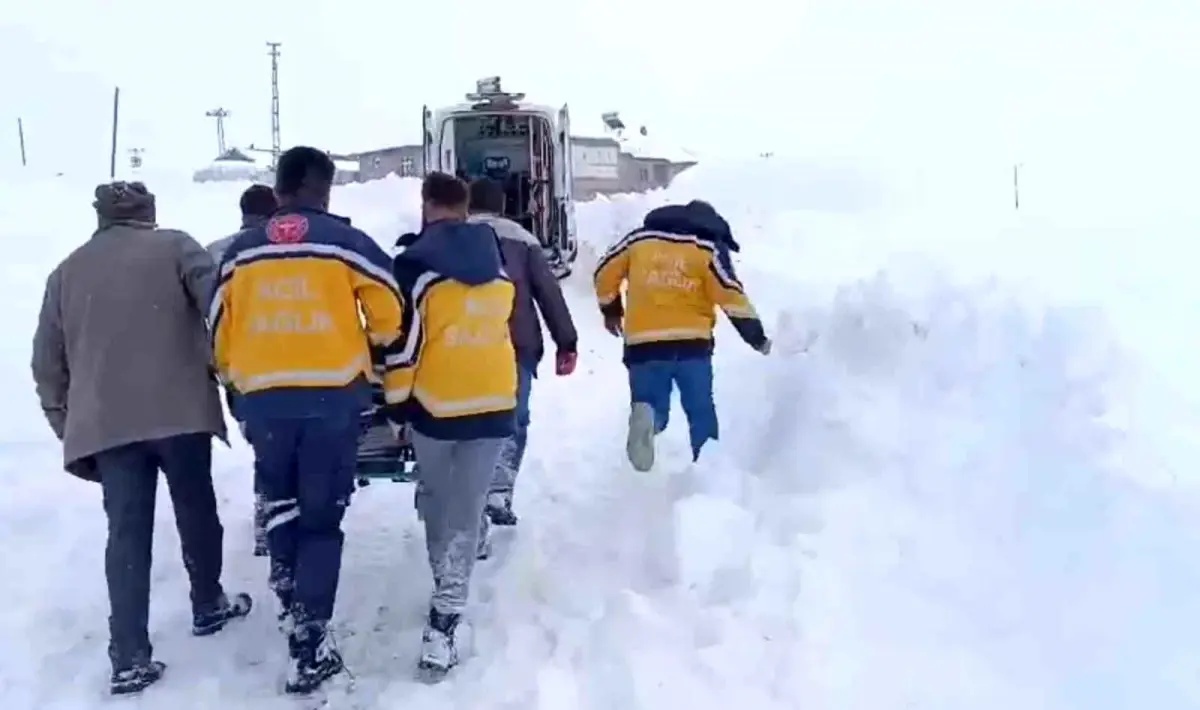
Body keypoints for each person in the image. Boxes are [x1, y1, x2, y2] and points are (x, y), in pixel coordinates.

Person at [31, 181, 253, 696]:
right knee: (196, 509)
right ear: (149, 212)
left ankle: (129, 654)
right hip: (181, 413)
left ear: (101, 217)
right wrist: (235, 376)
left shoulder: (65, 273)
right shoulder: (176, 246)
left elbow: (47, 363)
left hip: (109, 425)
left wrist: (67, 423)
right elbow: (224, 310)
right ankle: (207, 602)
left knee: (126, 533)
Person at [209, 147, 405, 694]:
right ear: (323, 190)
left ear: (277, 190)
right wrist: (370, 345)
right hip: (331, 401)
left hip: (264, 402)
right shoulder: (344, 243)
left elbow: (218, 329)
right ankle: (308, 636)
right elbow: (390, 311)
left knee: (280, 497)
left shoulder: (241, 252)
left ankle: (287, 580)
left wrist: (239, 379)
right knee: (322, 515)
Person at [385, 172, 516, 679]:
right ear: (465, 209)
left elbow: (405, 350)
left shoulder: (417, 273)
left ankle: (444, 615)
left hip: (437, 409)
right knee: (463, 505)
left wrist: (396, 409)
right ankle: (448, 596)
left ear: (426, 206)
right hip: (495, 402)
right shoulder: (498, 269)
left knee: (442, 508)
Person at [592, 200, 772, 472]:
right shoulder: (707, 248)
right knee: (700, 410)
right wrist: (757, 338)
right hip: (692, 345)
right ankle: (709, 469)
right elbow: (730, 294)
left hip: (644, 343)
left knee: (651, 402)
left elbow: (603, 273)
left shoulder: (639, 240)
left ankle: (650, 419)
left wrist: (611, 308)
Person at [466, 178, 578, 526]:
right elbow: (548, 293)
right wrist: (567, 341)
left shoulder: (451, 235)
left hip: (462, 343)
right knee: (513, 417)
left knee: (467, 420)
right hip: (517, 343)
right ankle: (498, 489)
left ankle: (468, 497)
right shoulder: (524, 240)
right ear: (502, 207)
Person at [206, 184, 279, 557]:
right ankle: (278, 518)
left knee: (265, 445)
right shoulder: (278, 248)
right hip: (284, 362)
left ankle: (268, 519)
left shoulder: (216, 252)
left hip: (237, 372)